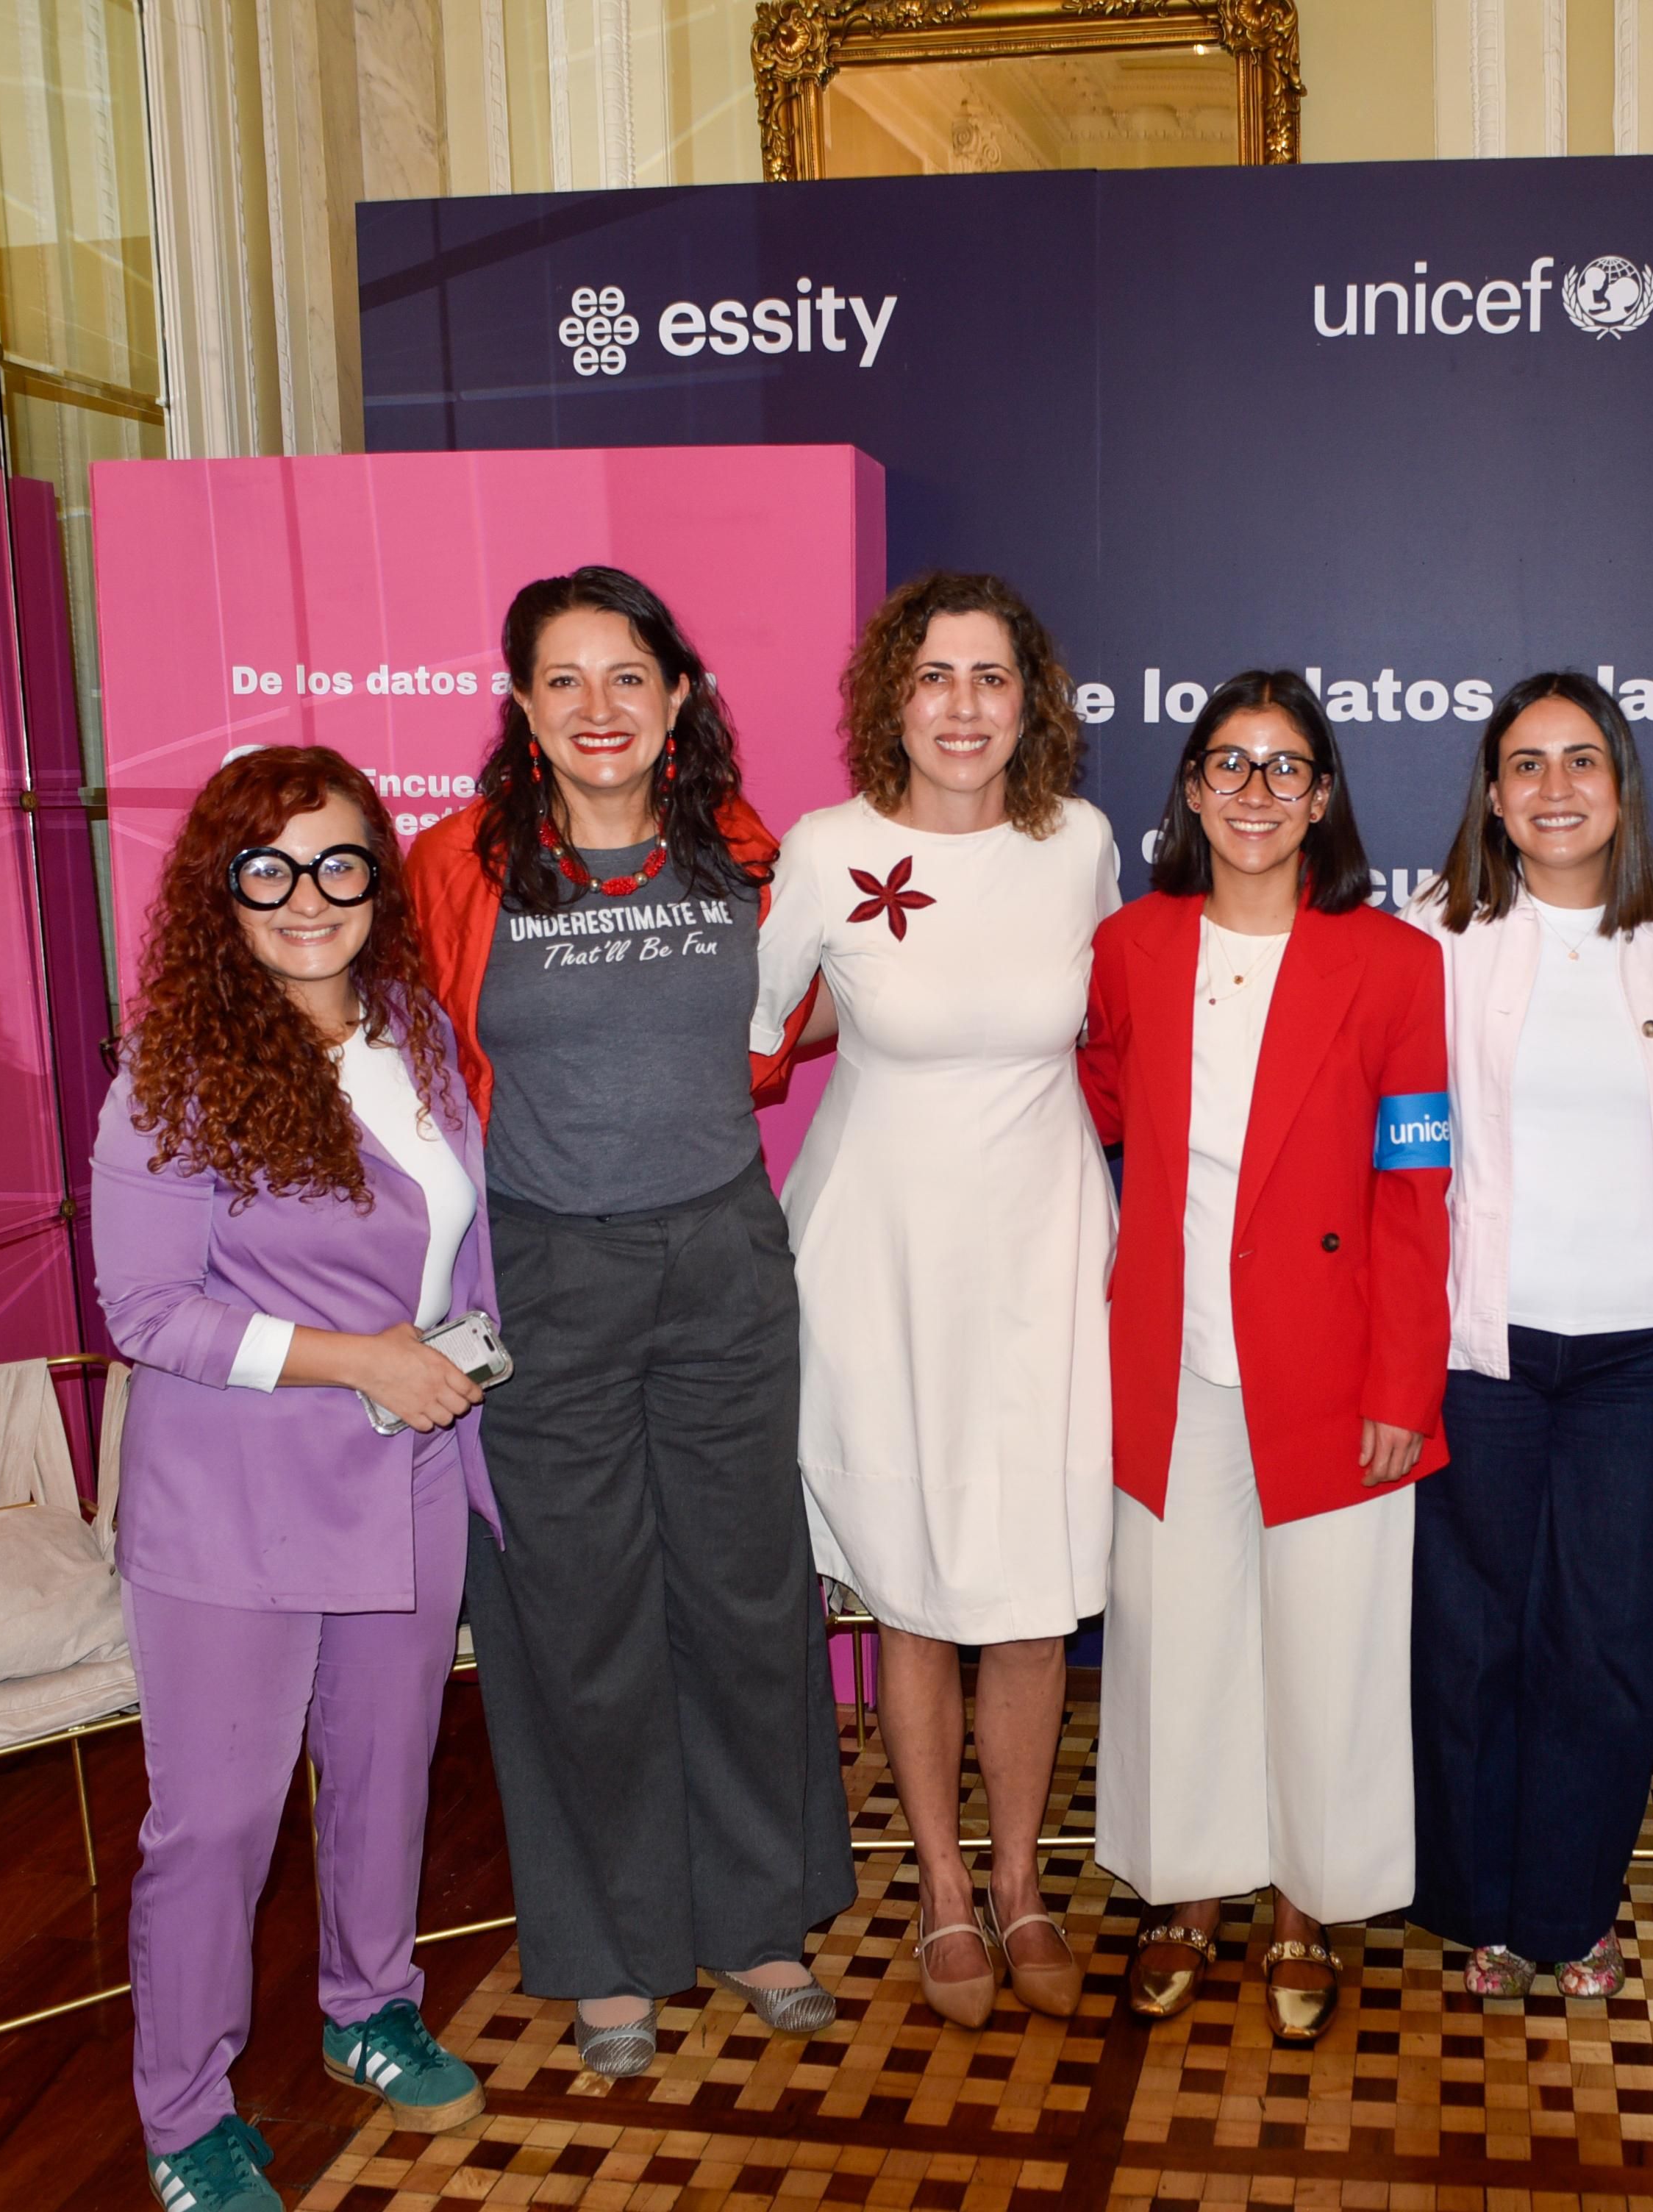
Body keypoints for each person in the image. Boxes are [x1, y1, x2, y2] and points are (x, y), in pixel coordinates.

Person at [407, 566, 853, 2071]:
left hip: (724, 1263)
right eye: (564, 679)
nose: (598, 706)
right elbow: (394, 1049)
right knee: (577, 1612)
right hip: (544, 1276)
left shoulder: (745, 849)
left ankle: (759, 1913)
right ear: (522, 707)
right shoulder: (453, 865)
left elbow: (801, 1018)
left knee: (742, 1597)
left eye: (627, 677)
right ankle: (609, 1949)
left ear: (678, 699)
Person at [96, 746, 498, 2212]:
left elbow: (459, 1240)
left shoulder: (416, 1031)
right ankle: (183, 2110)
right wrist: (361, 1360)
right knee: (216, 1820)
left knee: (389, 1769)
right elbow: (147, 1310)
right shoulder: (174, 1072)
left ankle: (369, 2006)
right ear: (224, 891)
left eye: (338, 862)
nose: (307, 896)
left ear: (377, 879)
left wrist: (461, 1365)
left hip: (411, 1471)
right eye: (268, 869)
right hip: (236, 1501)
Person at [749, 571, 1120, 2029]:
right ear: (891, 697)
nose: (962, 706)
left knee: (1026, 1591)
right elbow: (757, 1028)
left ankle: (1022, 1883)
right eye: (934, 676)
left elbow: (1109, 1022)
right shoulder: (828, 847)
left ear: (1031, 702)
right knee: (912, 1591)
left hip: (1042, 1255)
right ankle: (944, 1893)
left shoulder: (1078, 843)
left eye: (990, 677)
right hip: (879, 1261)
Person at [1079, 671, 1451, 2045]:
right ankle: (1187, 1889)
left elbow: (1416, 1186)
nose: (1255, 791)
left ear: (1323, 797)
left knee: (1329, 1644)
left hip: (1334, 1362)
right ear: (1189, 789)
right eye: (1228, 764)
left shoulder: (1393, 963)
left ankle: (1306, 1900)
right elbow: (1097, 1106)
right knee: (1175, 1638)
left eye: (1285, 766)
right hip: (1169, 1353)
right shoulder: (1132, 946)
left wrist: (1402, 1384)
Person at [1403, 671, 1653, 2002]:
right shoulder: (1434, 938)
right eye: (1525, 764)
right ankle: (1479, 1904)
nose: (1553, 787)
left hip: (1642, 1357)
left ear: (1622, 785)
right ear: (1492, 794)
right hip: (1483, 1349)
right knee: (1470, 1639)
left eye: (1581, 759)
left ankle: (1570, 1909)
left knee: (1609, 1644)